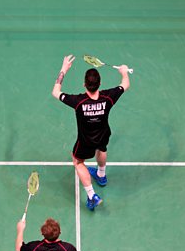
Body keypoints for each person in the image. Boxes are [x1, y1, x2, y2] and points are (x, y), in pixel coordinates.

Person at [52, 55, 130, 211]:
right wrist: (124, 71)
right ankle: (101, 175)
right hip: (103, 135)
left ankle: (92, 195)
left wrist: (63, 70)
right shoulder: (108, 97)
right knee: (102, 149)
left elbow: (56, 92)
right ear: (100, 84)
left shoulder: (78, 101)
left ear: (84, 85)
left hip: (85, 141)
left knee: (78, 162)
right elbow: (125, 84)